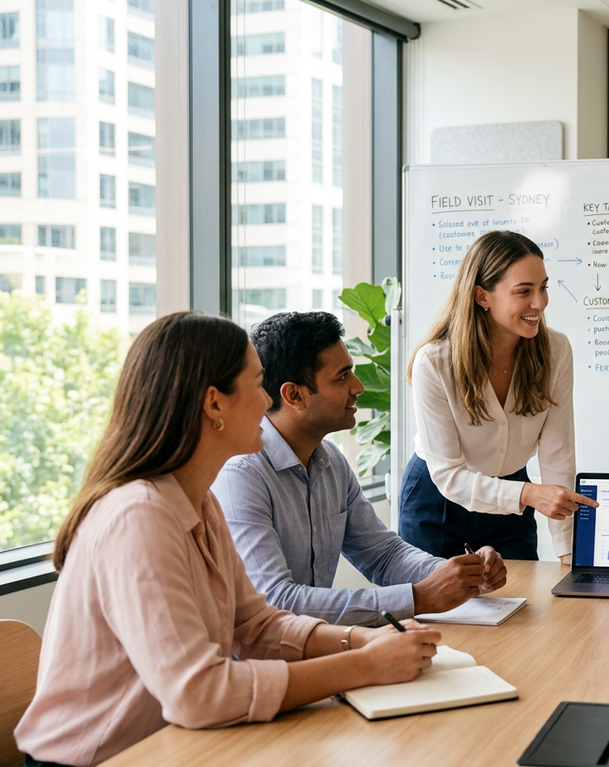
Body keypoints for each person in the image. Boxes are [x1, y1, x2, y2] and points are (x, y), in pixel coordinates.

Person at [15, 312, 441, 767]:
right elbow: (198, 694)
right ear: (214, 404)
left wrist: (360, 640)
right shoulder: (138, 515)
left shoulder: (198, 502)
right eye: (257, 384)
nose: (267, 401)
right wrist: (363, 665)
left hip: (175, 748)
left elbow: (257, 626)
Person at [213, 311, 505, 626]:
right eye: (342, 377)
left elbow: (383, 554)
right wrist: (419, 597)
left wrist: (460, 574)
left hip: (312, 645)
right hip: (261, 655)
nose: (358, 386)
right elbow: (277, 601)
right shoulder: (240, 474)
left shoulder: (330, 461)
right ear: (294, 395)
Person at [401, 230, 597, 563]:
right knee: (439, 597)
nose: (539, 303)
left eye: (543, 288)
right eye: (524, 291)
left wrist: (568, 549)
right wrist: (527, 493)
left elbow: (558, 454)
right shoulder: (434, 362)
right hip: (438, 502)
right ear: (482, 296)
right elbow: (449, 475)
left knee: (523, 594)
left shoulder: (556, 351)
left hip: (513, 503)